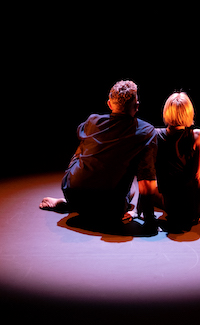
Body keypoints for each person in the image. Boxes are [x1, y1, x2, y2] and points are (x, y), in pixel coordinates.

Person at [39, 80, 160, 230]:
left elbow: (80, 131)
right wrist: (149, 218)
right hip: (111, 208)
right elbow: (146, 176)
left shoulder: (92, 121)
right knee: (132, 189)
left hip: (73, 194)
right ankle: (89, 204)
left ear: (109, 104)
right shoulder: (146, 131)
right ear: (137, 106)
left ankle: (72, 204)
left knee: (83, 145)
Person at [154, 91, 200, 233]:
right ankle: (196, 201)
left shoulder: (155, 134)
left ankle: (195, 201)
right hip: (189, 202)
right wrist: (197, 212)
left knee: (152, 190)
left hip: (169, 202)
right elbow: (199, 178)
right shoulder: (198, 135)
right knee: (193, 181)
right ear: (189, 113)